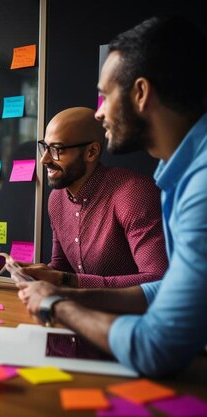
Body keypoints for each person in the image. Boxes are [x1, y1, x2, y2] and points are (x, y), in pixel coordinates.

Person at [18, 15, 207, 377]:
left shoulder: (197, 184)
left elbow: (157, 349)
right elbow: (162, 289)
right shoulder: (177, 174)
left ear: (140, 93)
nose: (100, 111)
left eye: (104, 96)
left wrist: (58, 304)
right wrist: (65, 291)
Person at [20, 107, 167, 288]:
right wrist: (33, 274)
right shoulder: (56, 199)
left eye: (57, 149)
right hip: (84, 311)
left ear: (92, 152)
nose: (45, 159)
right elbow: (61, 268)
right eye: (45, 147)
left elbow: (158, 280)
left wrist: (67, 280)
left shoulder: (133, 194)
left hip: (135, 315)